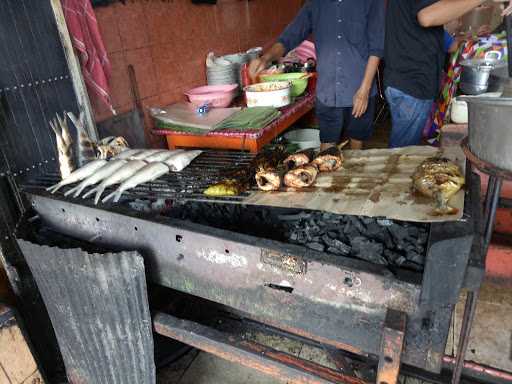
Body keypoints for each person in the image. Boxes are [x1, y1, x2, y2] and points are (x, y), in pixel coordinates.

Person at [248, 0, 385, 150]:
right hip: (327, 92)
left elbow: (376, 48)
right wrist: (265, 58)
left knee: (357, 145)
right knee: (326, 147)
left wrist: (364, 90)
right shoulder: (315, 3)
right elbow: (290, 37)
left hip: (359, 89)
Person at [384, 0, 494, 148]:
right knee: (402, 152)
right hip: (412, 82)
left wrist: (471, 35)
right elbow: (427, 17)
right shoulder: (425, 11)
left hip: (409, 81)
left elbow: (450, 45)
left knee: (405, 147)